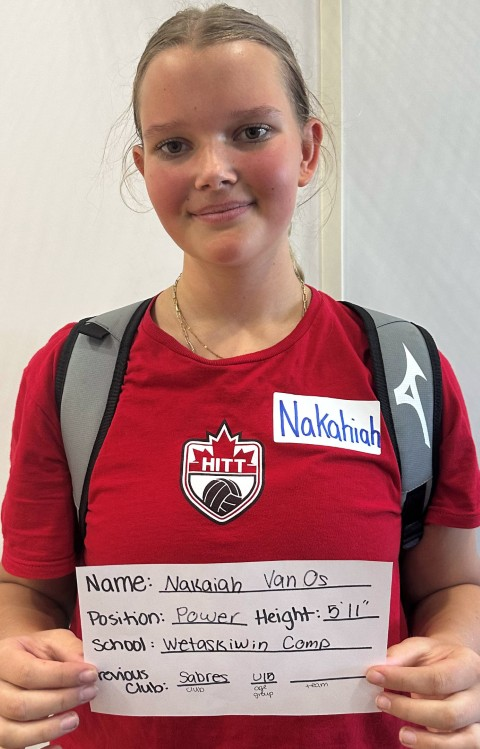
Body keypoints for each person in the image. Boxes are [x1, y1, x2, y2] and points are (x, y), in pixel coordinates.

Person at [1, 4, 479, 748]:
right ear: (143, 169)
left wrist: (458, 655)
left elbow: (451, 585)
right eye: (174, 144)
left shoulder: (403, 369)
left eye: (251, 132)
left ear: (308, 149)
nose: (212, 170)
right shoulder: (73, 374)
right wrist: (16, 659)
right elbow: (27, 591)